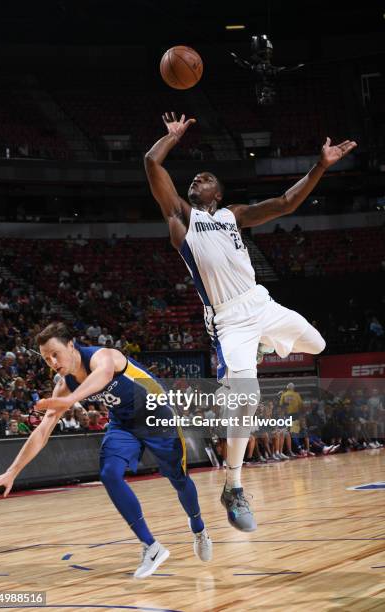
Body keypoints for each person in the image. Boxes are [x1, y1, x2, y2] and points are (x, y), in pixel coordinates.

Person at [144, 111, 357, 532]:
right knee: (246, 395)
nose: (197, 180)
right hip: (229, 320)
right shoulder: (183, 219)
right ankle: (234, 486)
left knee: (318, 345)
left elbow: (285, 203)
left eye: (204, 178)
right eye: (194, 178)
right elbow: (152, 165)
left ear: (218, 193)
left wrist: (321, 165)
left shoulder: (232, 216)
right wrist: (170, 138)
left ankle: (264, 344)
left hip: (261, 303)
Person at [0, 322, 211, 579]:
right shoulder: (64, 385)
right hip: (123, 424)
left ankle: (198, 527)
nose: (52, 361)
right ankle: (152, 547)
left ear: (71, 345)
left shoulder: (102, 356)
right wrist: (12, 471)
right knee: (109, 473)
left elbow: (102, 376)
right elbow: (43, 430)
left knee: (178, 480)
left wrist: (70, 401)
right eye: (46, 358)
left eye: (55, 354)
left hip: (157, 417)